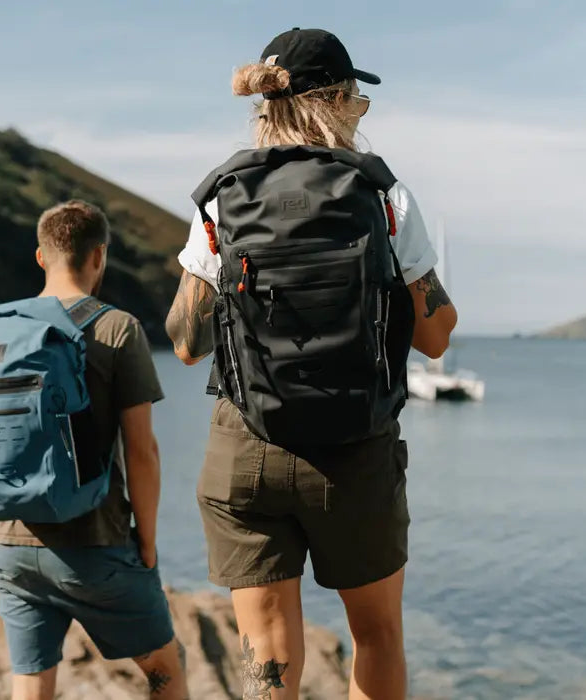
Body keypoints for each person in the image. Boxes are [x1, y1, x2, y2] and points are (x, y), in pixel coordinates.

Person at [166, 28, 456, 700]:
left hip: (247, 446)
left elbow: (185, 340)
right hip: (353, 448)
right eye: (356, 99)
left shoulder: (223, 195)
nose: (360, 112)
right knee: (378, 636)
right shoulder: (383, 194)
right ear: (334, 99)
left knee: (267, 658)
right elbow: (435, 337)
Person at [0, 200, 188, 700]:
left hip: (12, 546)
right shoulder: (116, 329)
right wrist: (145, 543)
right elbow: (142, 451)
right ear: (99, 256)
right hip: (96, 543)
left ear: (41, 258)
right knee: (164, 668)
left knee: (32, 680)